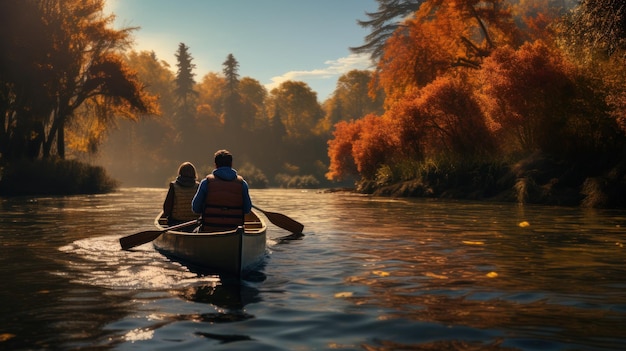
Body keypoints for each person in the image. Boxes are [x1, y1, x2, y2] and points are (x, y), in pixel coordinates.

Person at [192, 149, 252, 232]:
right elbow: (247, 210)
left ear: (215, 165)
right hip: (234, 231)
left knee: (194, 231)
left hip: (209, 229)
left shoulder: (206, 182)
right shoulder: (242, 184)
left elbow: (195, 208)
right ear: (231, 164)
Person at [162, 161, 200, 226]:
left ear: (180, 173)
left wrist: (165, 216)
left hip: (176, 223)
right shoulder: (199, 186)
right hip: (195, 223)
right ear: (194, 174)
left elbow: (167, 209)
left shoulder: (173, 186)